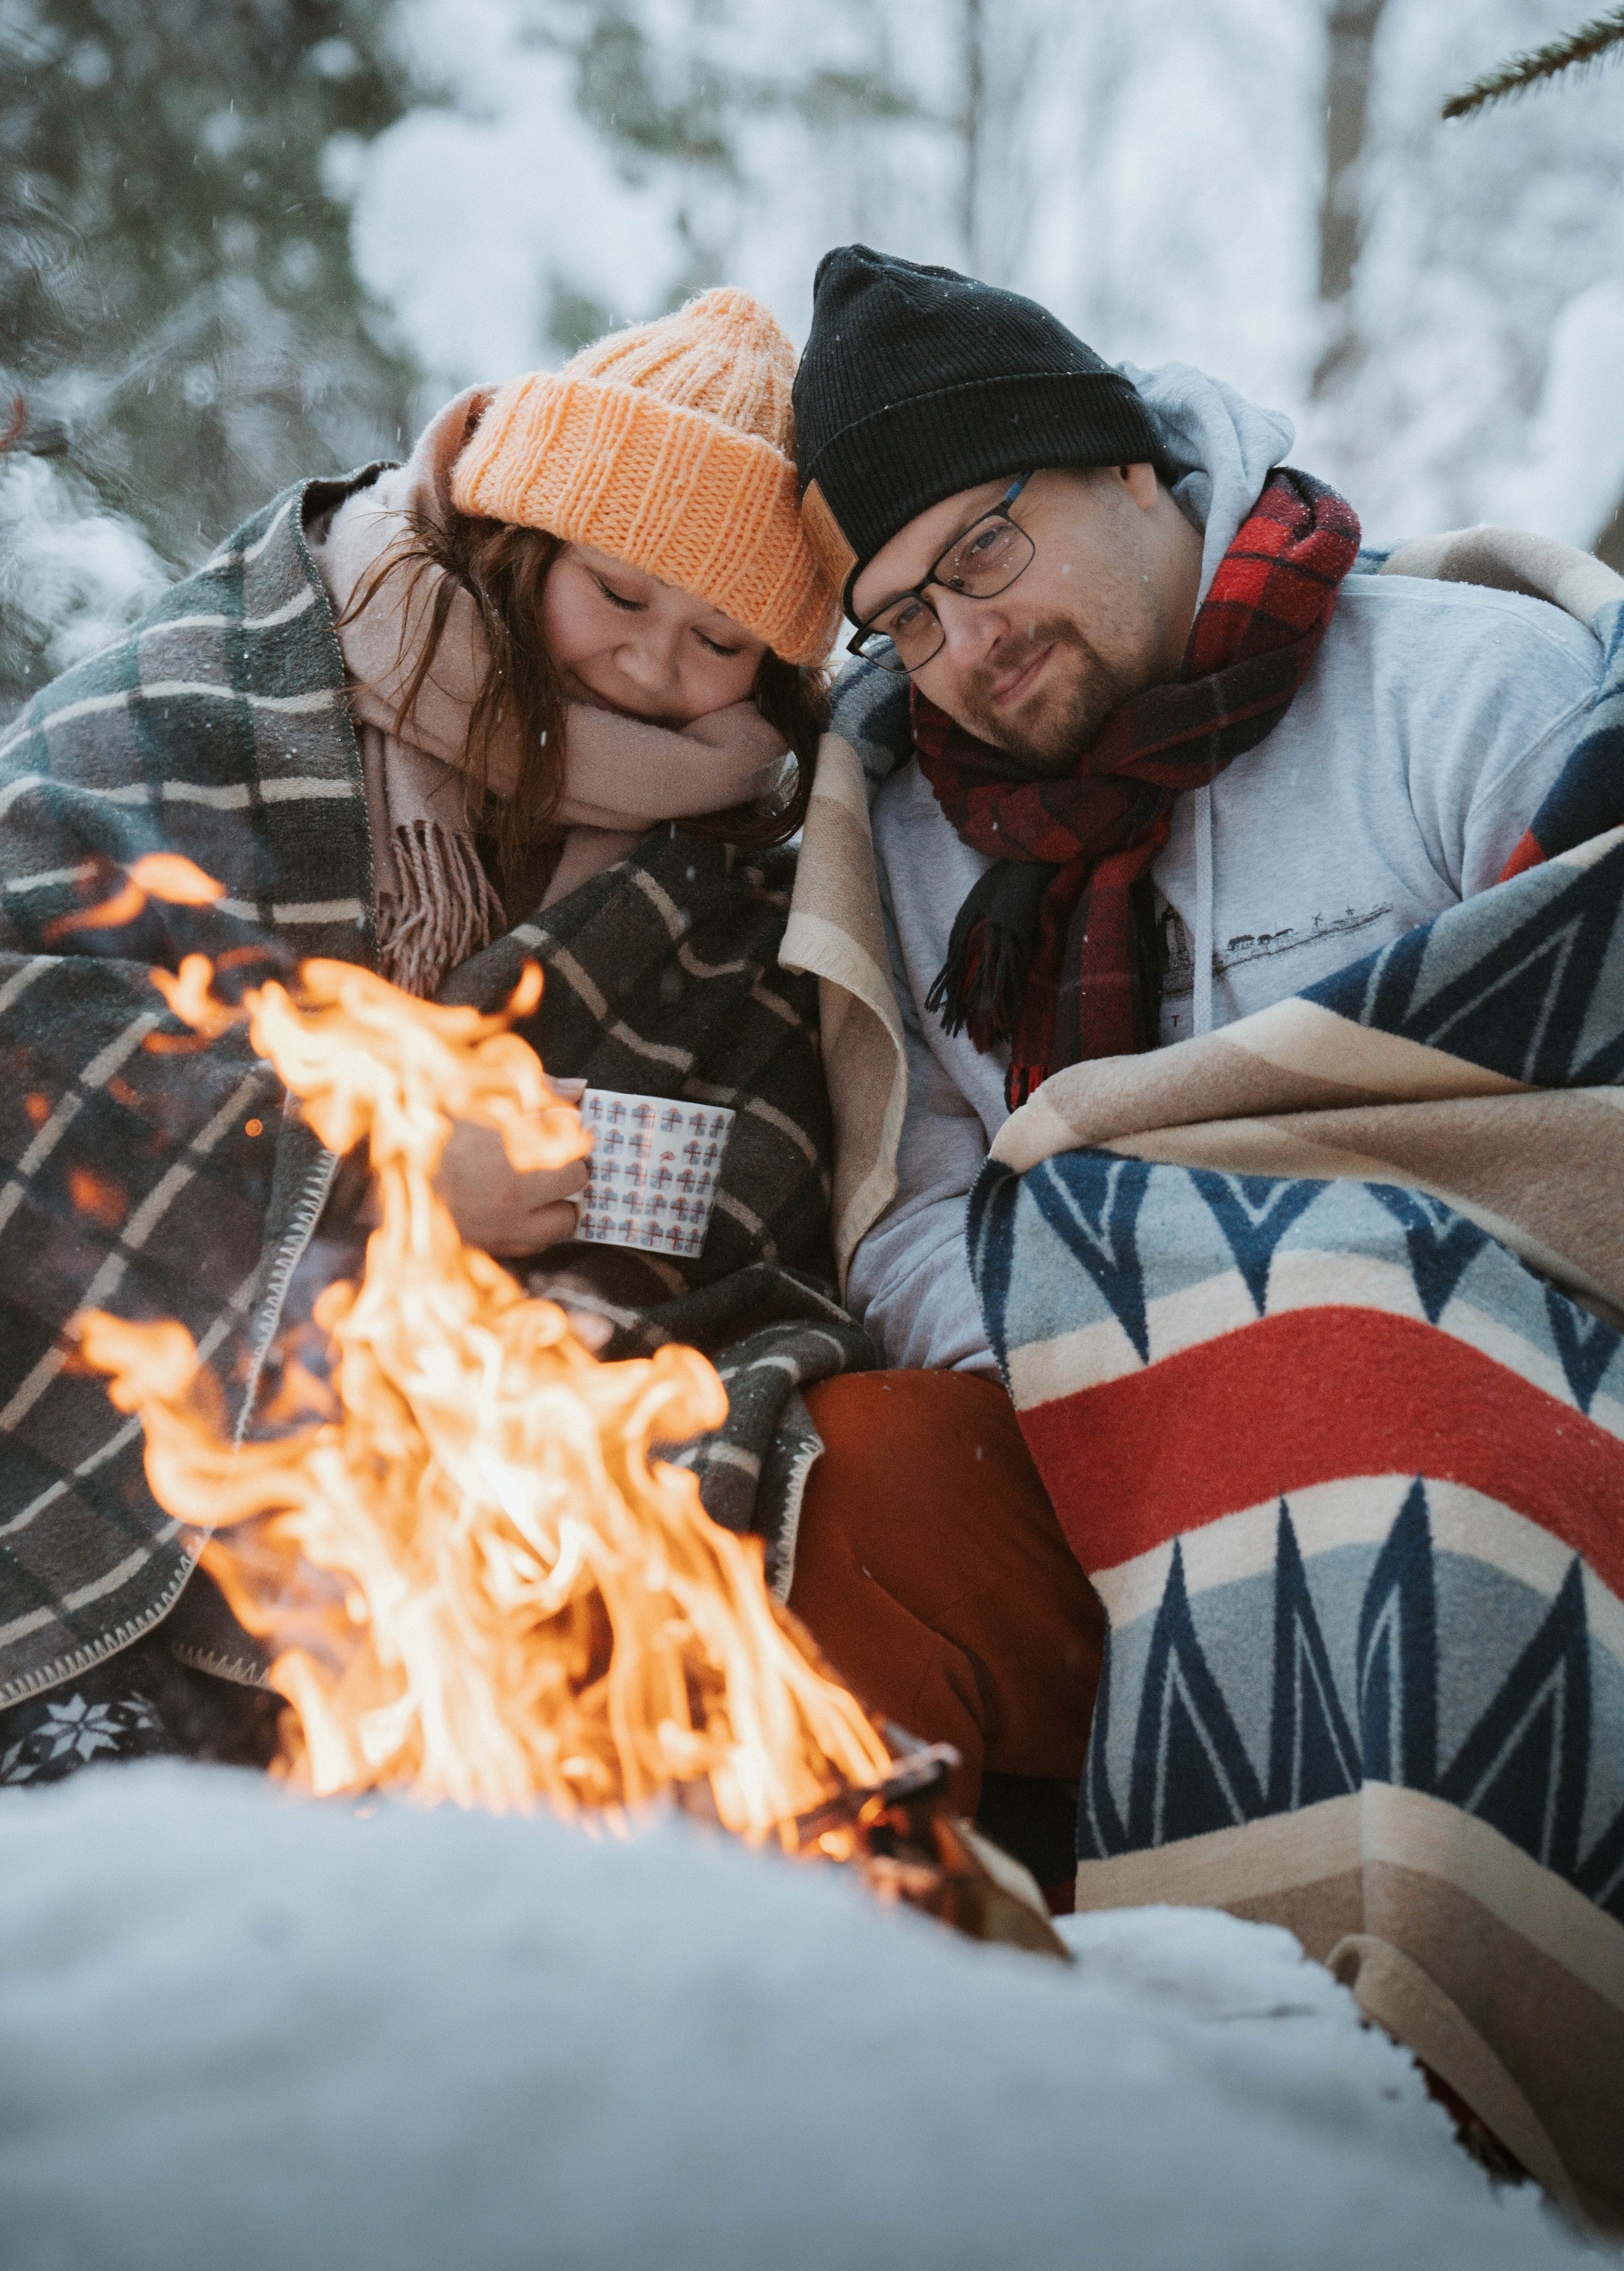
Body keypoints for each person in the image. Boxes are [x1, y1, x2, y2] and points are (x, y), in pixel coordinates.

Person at [776, 249, 1624, 2202]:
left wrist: (1283, 1311)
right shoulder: (912, 833)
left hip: (1489, 1411)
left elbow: (1577, 1105)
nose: (960, 645)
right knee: (846, 1486)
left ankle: (1442, 2124)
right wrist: (1113, 1355)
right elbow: (908, 1208)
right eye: (901, 613)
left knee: (1365, 1414)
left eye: (986, 554)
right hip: (1093, 1434)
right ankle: (863, 2104)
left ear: (1138, 469)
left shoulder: (1460, 691)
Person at [0, 287, 873, 1787]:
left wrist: (567, 1301)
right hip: (140, 1355)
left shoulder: (739, 873)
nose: (656, 668)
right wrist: (360, 1159)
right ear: (521, 538)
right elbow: (28, 1007)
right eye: (614, 592)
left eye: (721, 638)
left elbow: (756, 1196)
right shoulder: (234, 673)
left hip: (468, 1404)